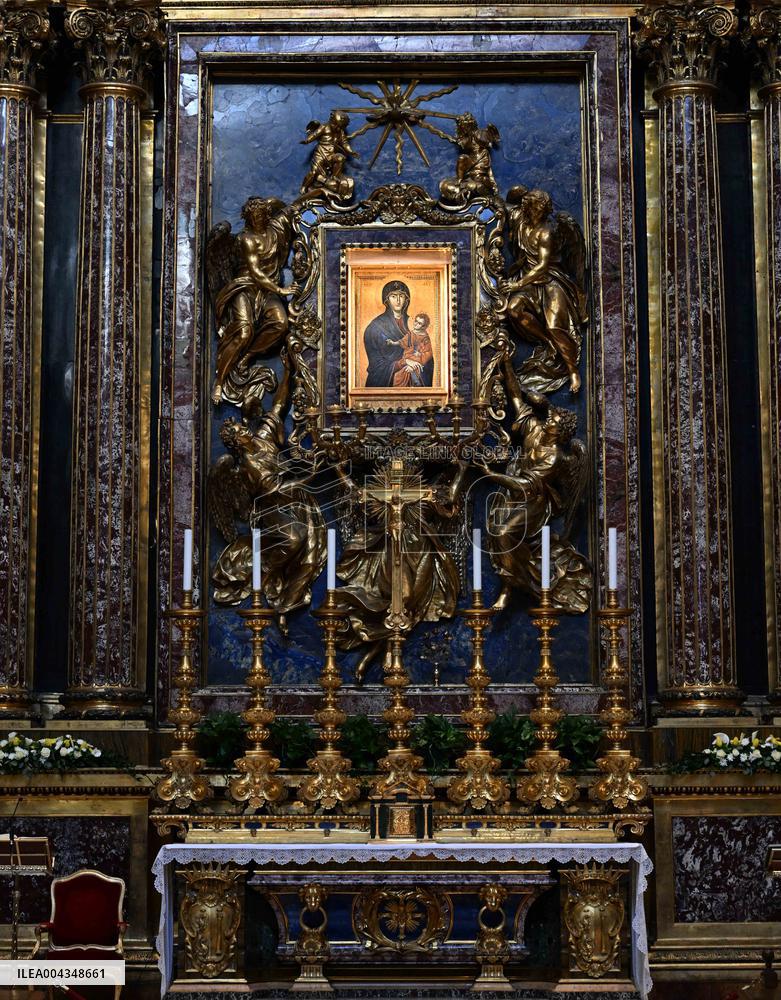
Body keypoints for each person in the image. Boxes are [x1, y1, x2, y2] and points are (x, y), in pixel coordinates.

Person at [363, 279, 424, 387]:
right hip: (387, 383)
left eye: (401, 296)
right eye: (393, 296)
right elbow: (376, 364)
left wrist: (418, 360)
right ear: (387, 300)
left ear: (406, 299)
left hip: (413, 381)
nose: (398, 300)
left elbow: (426, 353)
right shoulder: (375, 327)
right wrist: (403, 363)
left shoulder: (414, 324)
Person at [392, 312, 434, 388]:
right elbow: (402, 342)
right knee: (397, 376)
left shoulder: (425, 338)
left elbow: (428, 353)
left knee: (404, 374)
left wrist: (419, 357)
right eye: (416, 321)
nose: (416, 324)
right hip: (409, 357)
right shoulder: (410, 334)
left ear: (423, 327)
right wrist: (393, 343)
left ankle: (416, 383)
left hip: (419, 360)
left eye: (419, 323)